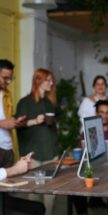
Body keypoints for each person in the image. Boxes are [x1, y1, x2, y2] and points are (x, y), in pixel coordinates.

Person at [15, 68, 59, 215]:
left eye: (52, 81)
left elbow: (53, 131)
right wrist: (35, 121)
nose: (51, 83)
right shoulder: (24, 102)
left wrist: (56, 153)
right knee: (33, 197)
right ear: (38, 80)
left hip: (50, 155)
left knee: (50, 196)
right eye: (48, 80)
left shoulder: (49, 103)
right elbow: (18, 125)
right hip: (33, 156)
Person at [73, 100, 108, 215]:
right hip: (92, 170)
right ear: (96, 114)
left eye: (107, 112)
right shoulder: (86, 132)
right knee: (75, 185)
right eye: (101, 112)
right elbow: (82, 154)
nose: (105, 115)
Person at [0, 59, 25, 167]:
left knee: (11, 183)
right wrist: (2, 123)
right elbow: (3, 122)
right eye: (5, 78)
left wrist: (15, 121)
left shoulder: (7, 94)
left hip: (8, 148)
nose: (9, 82)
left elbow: (6, 117)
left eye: (11, 78)